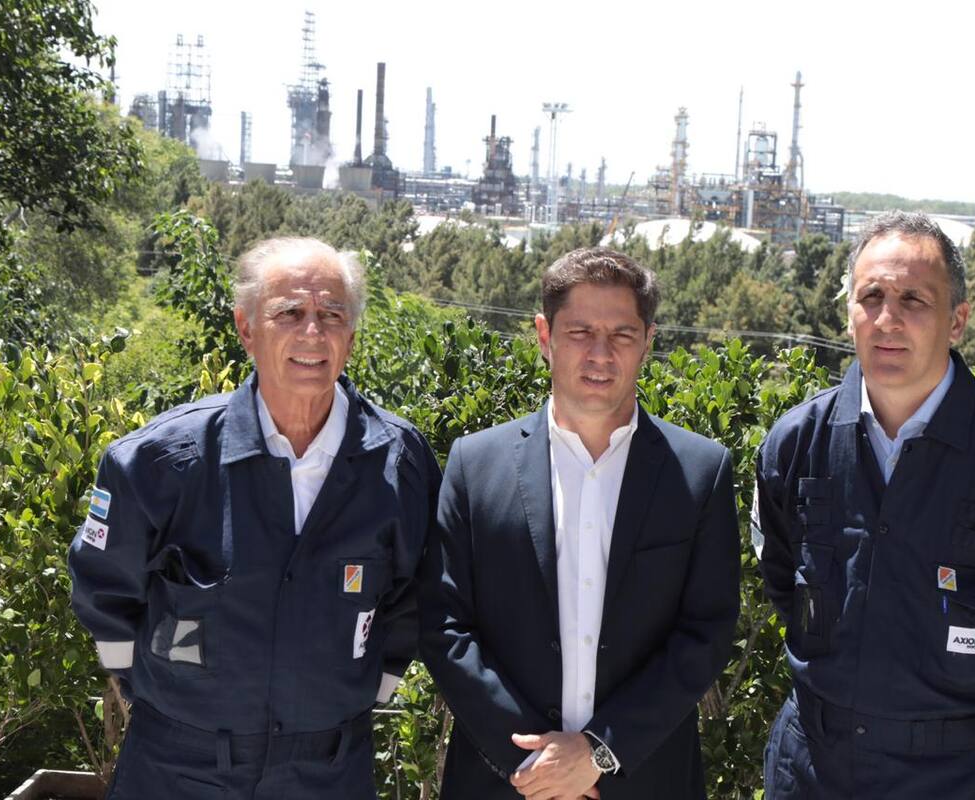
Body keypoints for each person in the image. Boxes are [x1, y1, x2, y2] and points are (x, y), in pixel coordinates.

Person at [753, 211, 975, 798]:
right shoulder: (797, 443)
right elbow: (780, 579)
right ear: (849, 313)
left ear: (958, 321)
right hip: (814, 769)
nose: (887, 319)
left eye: (914, 299)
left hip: (962, 775)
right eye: (870, 296)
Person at [68, 237, 440, 799]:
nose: (312, 333)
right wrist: (134, 681)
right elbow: (105, 583)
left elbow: (412, 595)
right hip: (177, 767)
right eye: (289, 313)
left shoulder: (400, 462)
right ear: (247, 330)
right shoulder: (161, 460)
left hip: (327, 769)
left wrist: (378, 684)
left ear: (351, 336)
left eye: (331, 315)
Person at [419, 247, 740, 799]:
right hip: (506, 782)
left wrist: (600, 752)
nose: (600, 354)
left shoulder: (700, 471)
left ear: (648, 342)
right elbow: (446, 627)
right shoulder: (476, 465)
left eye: (621, 334)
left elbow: (705, 633)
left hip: (645, 781)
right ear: (544, 337)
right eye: (579, 332)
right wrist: (535, 763)